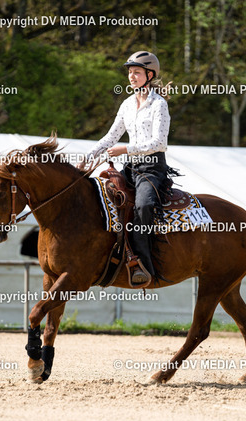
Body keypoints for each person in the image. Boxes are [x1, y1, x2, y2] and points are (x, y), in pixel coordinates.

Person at [78, 51, 173, 285]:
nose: (131, 76)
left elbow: (159, 143)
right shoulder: (127, 104)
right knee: (103, 198)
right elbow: (111, 137)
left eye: (137, 72)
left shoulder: (159, 105)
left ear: (150, 75)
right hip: (131, 168)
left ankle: (143, 265)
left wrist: (125, 150)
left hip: (152, 168)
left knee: (144, 205)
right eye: (130, 72)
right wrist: (88, 157)